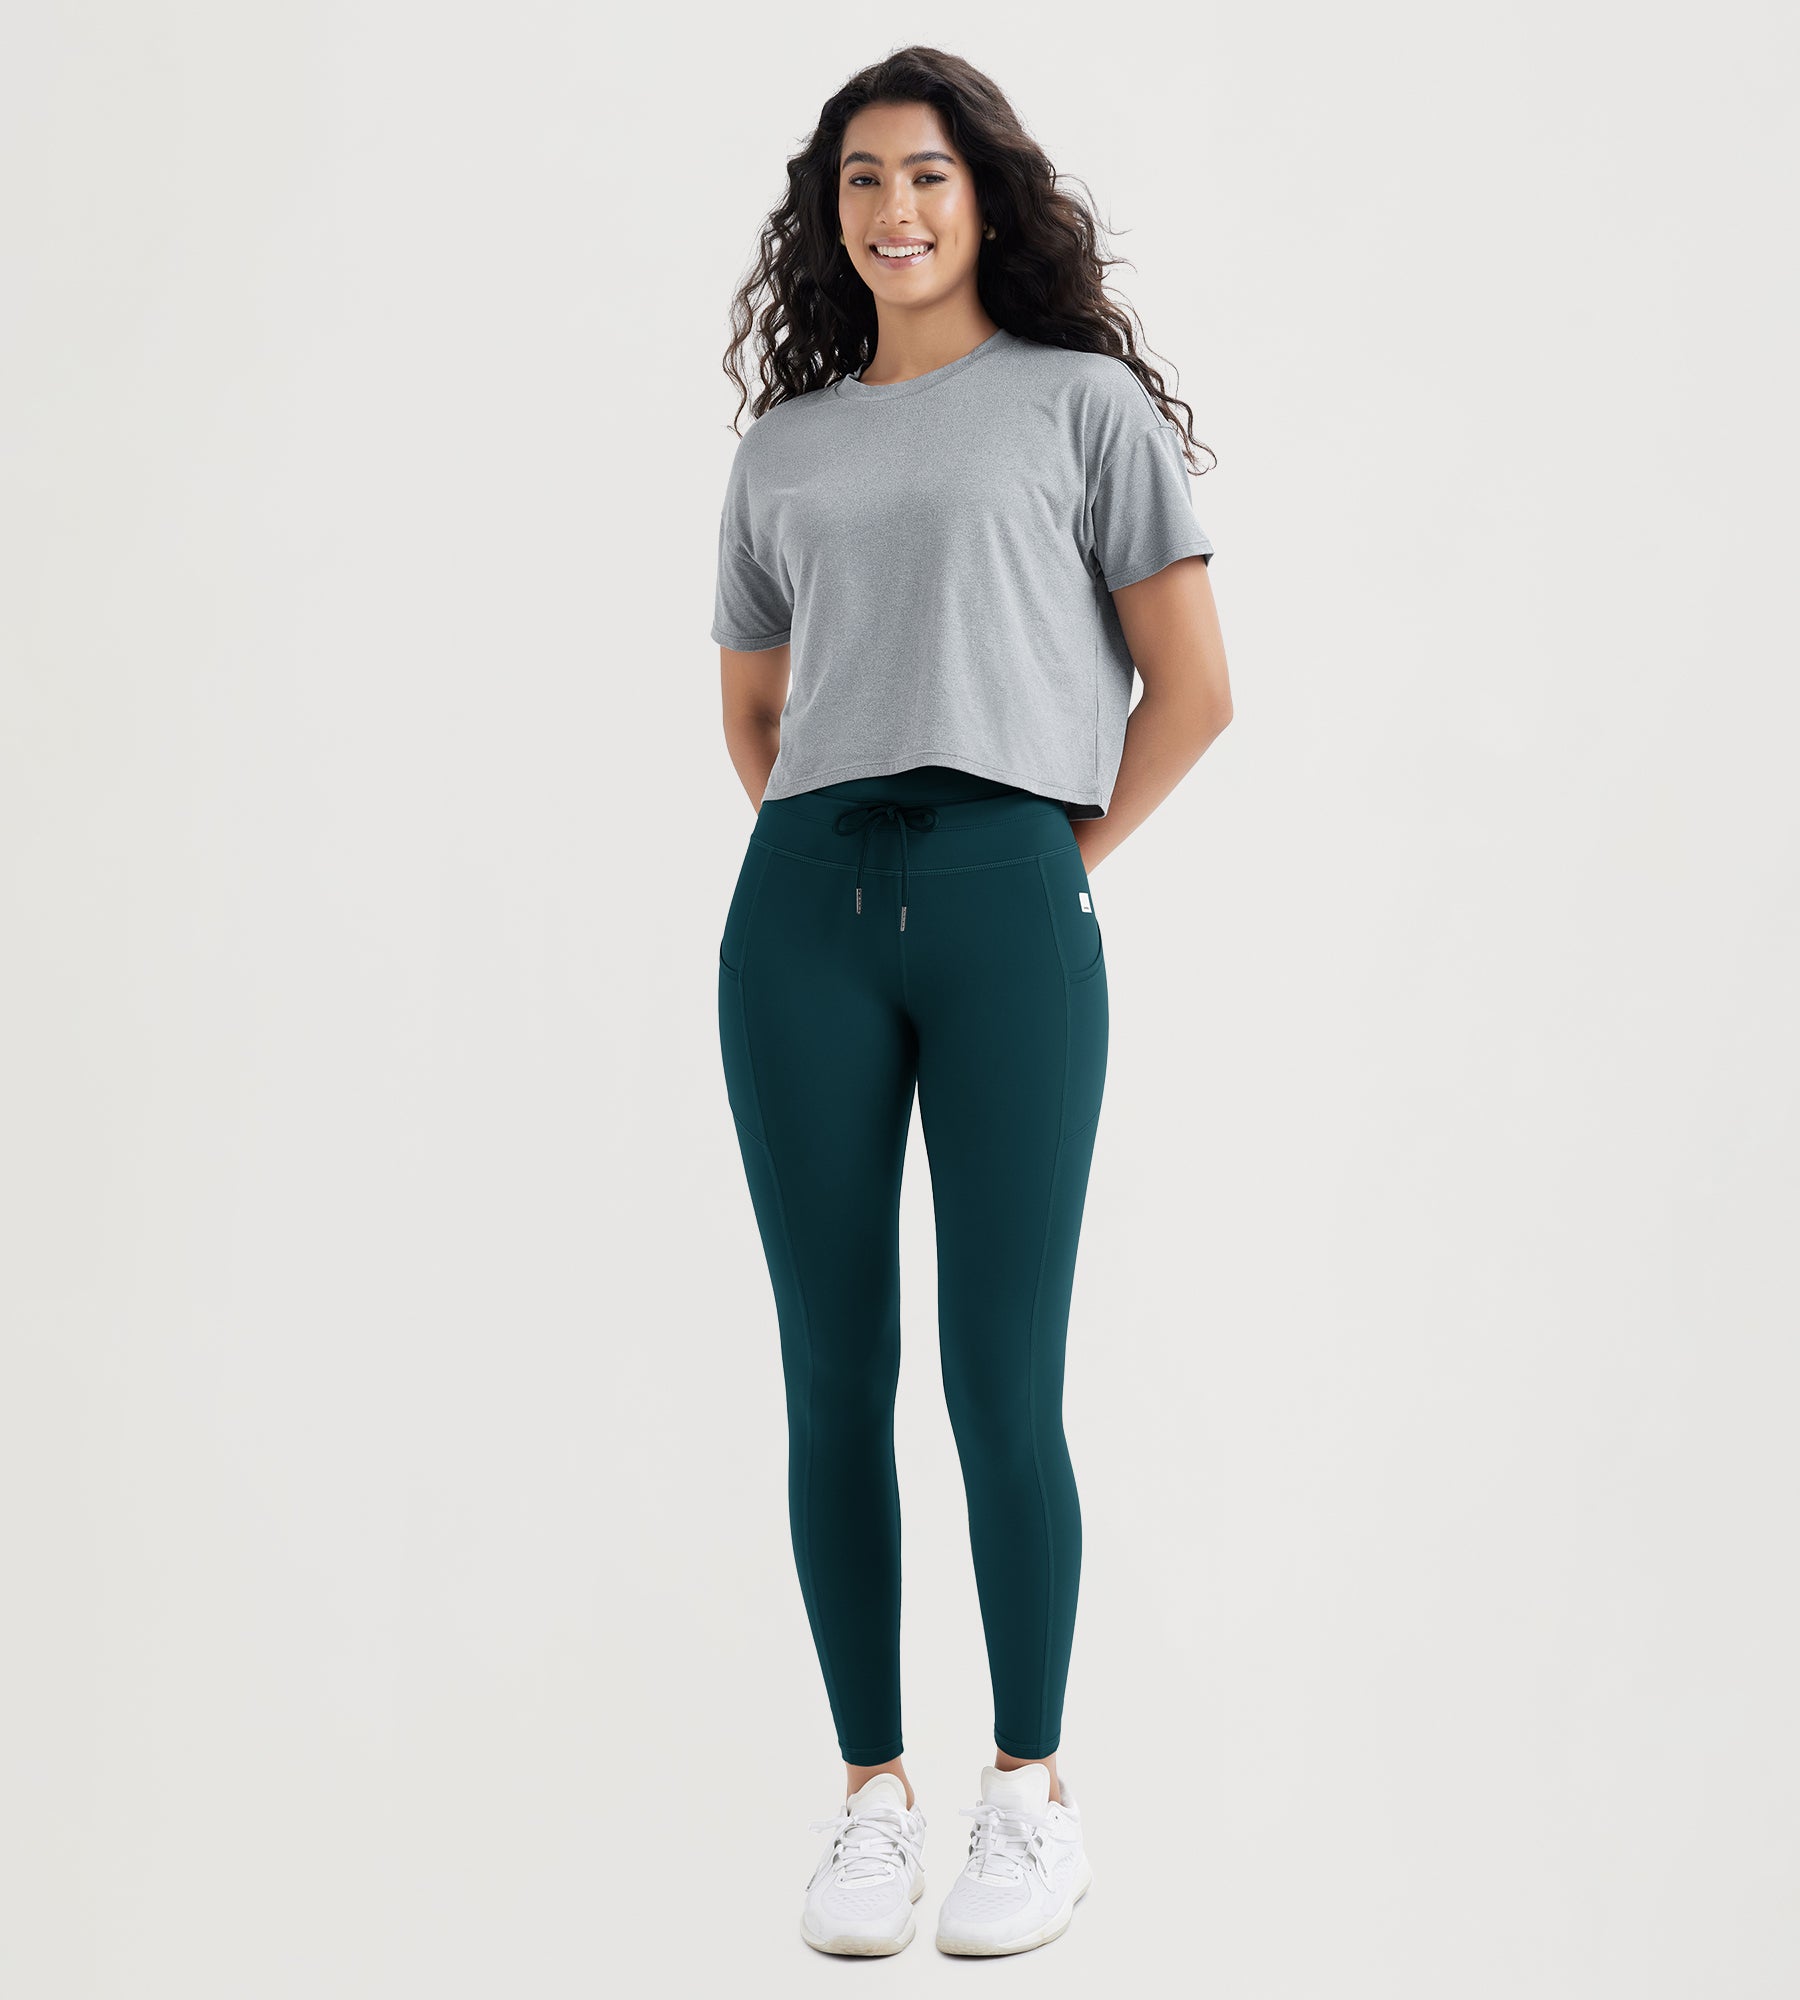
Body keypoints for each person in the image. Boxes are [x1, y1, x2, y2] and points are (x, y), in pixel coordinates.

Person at [711, 47, 1233, 1959]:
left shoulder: (1081, 406)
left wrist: (1034, 860)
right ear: (829, 213)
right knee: (830, 1372)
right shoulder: (784, 450)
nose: (894, 208)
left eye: (925, 172)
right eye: (860, 179)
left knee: (1001, 1375)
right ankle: (873, 1802)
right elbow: (755, 709)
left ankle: (1029, 1793)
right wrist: (840, 858)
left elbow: (1195, 688)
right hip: (803, 915)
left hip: (1012, 893)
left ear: (985, 193)